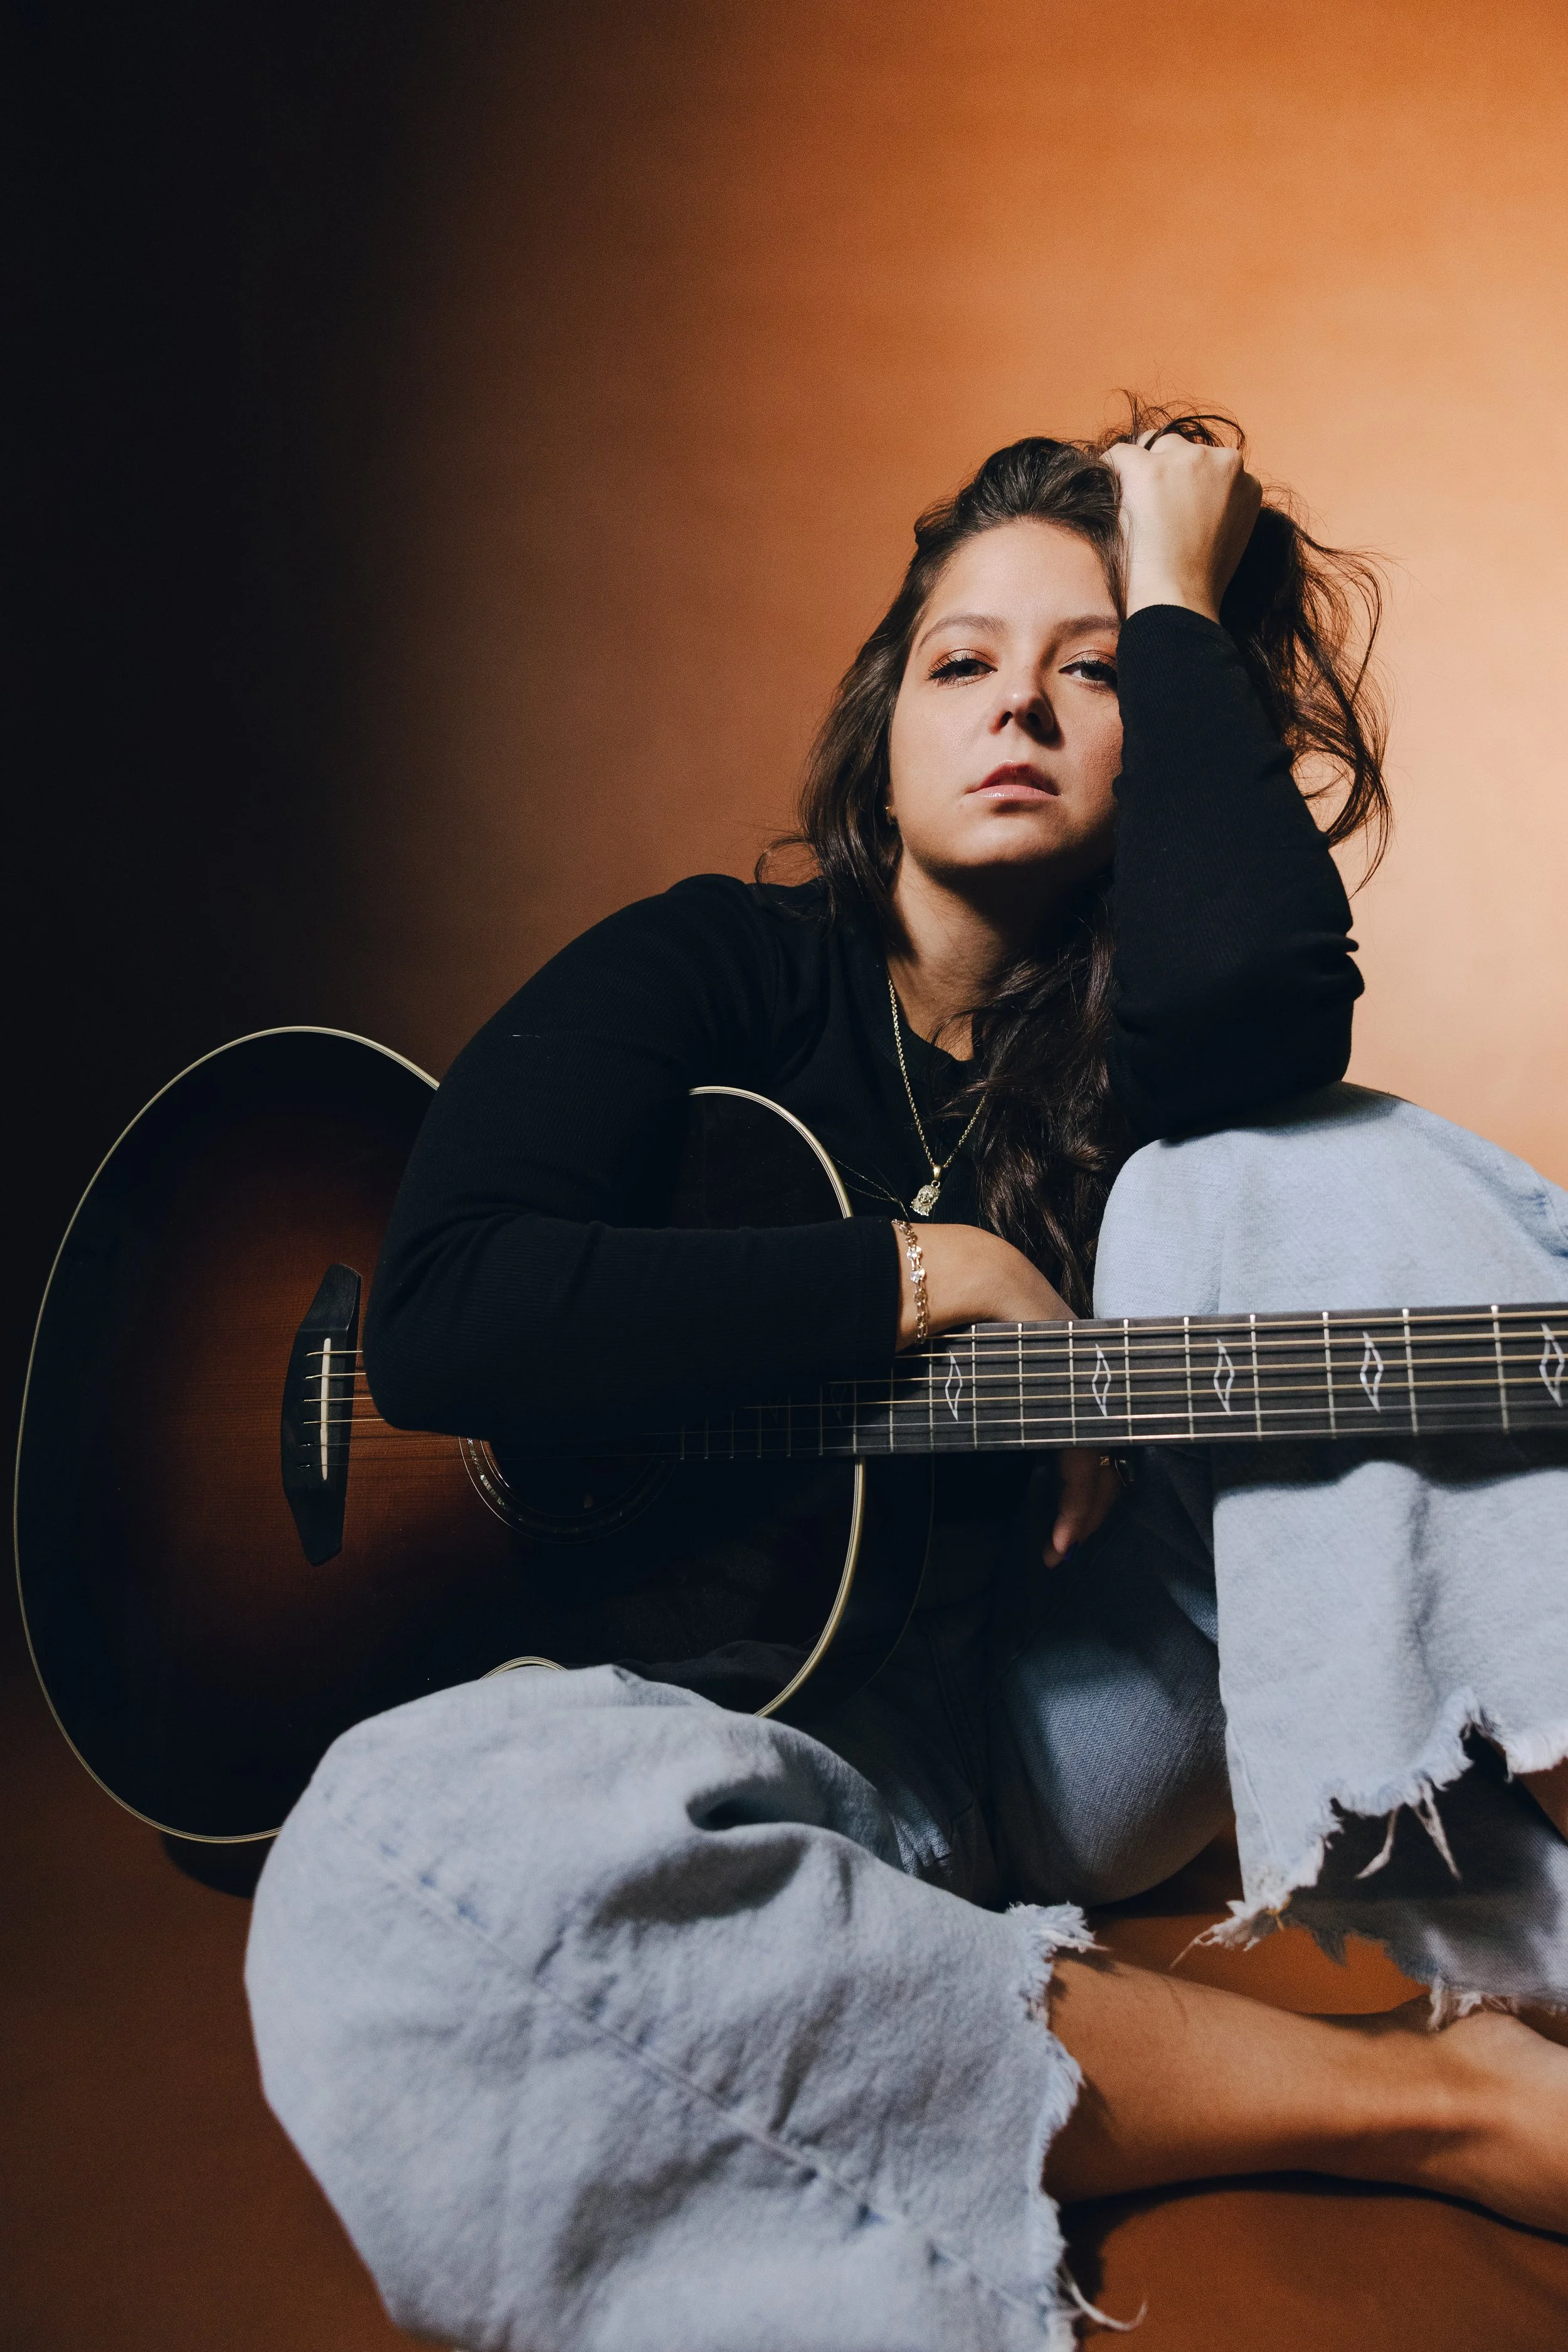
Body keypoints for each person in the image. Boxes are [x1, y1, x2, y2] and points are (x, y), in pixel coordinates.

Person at [245, 415, 1568, 2351]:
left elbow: (1262, 1003)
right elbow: (446, 1312)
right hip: (762, 1732)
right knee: (384, 1863)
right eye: (960, 660)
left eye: (1090, 669)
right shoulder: (716, 966)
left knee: (1286, 1166)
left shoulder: (1160, 1039)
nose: (1015, 703)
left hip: (1085, 1692)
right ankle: (1441, 2100)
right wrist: (916, 1269)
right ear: (883, 726)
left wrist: (1179, 588)